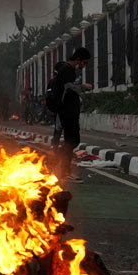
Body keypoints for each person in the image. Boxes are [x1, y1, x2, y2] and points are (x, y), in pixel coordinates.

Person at [49, 47, 92, 183]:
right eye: (84, 63)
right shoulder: (67, 70)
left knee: (73, 141)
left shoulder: (69, 71)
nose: (83, 66)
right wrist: (83, 88)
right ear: (78, 59)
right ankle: (63, 169)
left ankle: (58, 162)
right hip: (67, 112)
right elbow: (69, 87)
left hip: (69, 111)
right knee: (71, 141)